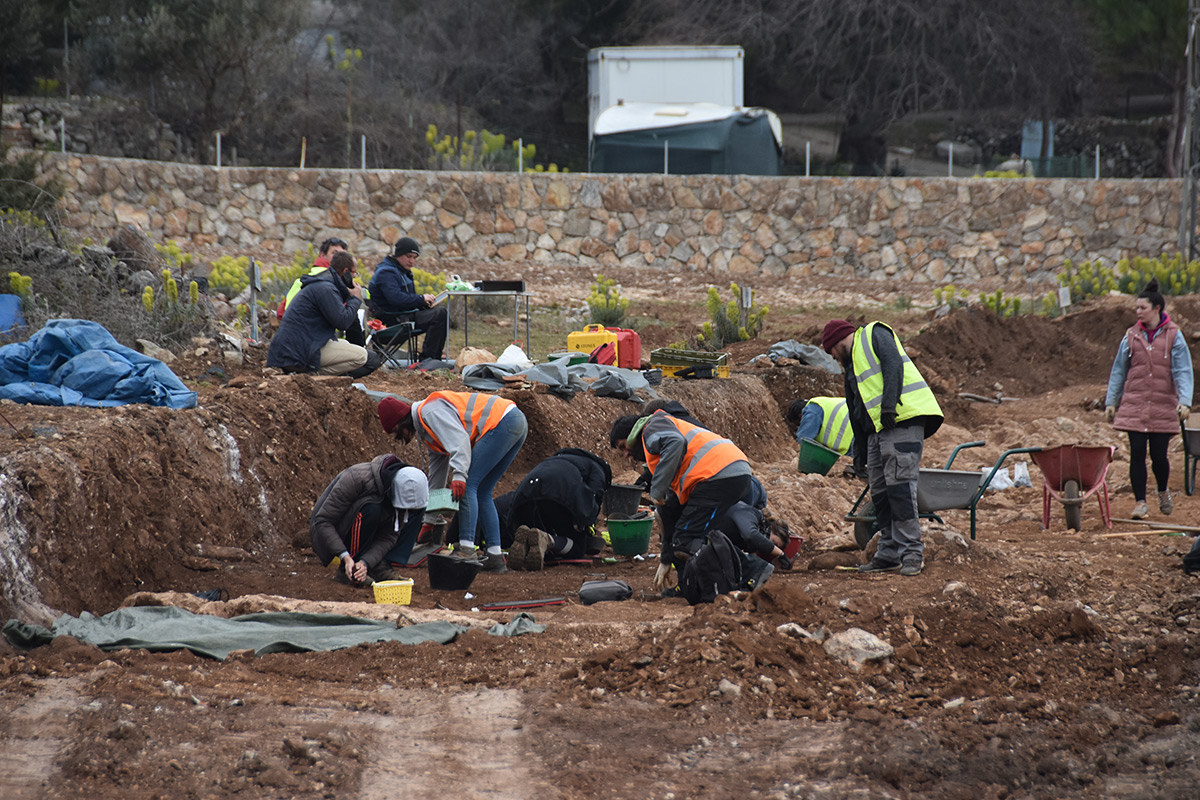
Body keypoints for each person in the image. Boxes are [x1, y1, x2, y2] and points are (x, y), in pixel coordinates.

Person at [821, 318, 943, 576]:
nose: (832, 356)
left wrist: (889, 405)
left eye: (830, 350)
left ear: (838, 340)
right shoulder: (852, 365)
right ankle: (888, 553)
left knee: (899, 489)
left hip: (902, 420)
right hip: (878, 429)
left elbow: (893, 364)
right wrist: (860, 451)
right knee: (881, 494)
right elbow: (856, 410)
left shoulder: (874, 333)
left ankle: (911, 553)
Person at [378, 392, 527, 573]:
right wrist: (429, 522)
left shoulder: (430, 412)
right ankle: (495, 556)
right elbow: (437, 475)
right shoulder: (428, 430)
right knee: (483, 491)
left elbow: (460, 441)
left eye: (396, 431)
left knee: (468, 485)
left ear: (402, 420)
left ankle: (466, 551)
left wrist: (458, 476)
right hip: (513, 420)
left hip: (502, 422)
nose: (399, 438)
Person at [609, 410, 753, 594]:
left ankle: (750, 570)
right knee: (683, 537)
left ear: (631, 434)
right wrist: (666, 560)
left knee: (685, 540)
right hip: (729, 473)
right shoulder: (665, 456)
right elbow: (668, 513)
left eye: (623, 447)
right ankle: (688, 587)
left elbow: (675, 442)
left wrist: (657, 490)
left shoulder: (650, 428)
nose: (626, 454)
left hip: (717, 475)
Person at [1105, 279, 1194, 519]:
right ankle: (1140, 503)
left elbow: (1183, 370)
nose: (1137, 312)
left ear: (1156, 308)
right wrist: (1111, 401)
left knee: (1159, 456)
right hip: (1135, 404)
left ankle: (1163, 490)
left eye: (1142, 308)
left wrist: (1184, 401)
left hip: (1163, 404)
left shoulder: (1174, 336)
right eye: (1136, 308)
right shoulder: (1131, 336)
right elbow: (1119, 370)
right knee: (1136, 452)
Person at [310, 454, 428, 586]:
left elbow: (388, 536)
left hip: (364, 533)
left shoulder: (401, 489)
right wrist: (346, 557)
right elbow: (323, 521)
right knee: (372, 509)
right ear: (391, 489)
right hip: (328, 532)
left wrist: (365, 562)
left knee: (415, 510)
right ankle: (348, 569)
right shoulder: (356, 478)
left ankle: (375, 566)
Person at [266, 251, 381, 377]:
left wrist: (349, 297)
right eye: (354, 273)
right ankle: (310, 377)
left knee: (348, 346)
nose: (355, 278)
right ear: (346, 272)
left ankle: (312, 374)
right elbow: (343, 322)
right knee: (362, 357)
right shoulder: (326, 289)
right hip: (299, 352)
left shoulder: (325, 284)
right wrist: (355, 299)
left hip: (298, 346)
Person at [505, 448, 612, 571]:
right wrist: (585, 528)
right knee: (578, 548)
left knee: (535, 532)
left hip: (525, 493)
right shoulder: (598, 469)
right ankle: (548, 540)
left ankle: (526, 548)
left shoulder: (555, 460)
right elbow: (594, 498)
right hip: (557, 492)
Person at [368, 237, 448, 362]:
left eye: (414, 258)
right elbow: (395, 299)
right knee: (439, 314)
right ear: (398, 254)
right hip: (393, 321)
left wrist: (424, 303)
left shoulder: (401, 271)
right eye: (408, 256)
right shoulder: (386, 272)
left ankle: (432, 359)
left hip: (404, 315)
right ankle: (428, 360)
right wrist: (421, 299)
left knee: (439, 313)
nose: (412, 261)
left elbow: (405, 300)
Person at [277, 237, 348, 319]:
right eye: (334, 253)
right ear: (323, 255)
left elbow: (282, 313)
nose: (339, 258)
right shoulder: (305, 282)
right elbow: (284, 313)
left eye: (343, 255)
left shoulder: (303, 281)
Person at [786, 396, 854, 454]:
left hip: (853, 435)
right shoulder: (822, 404)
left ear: (800, 416)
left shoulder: (812, 411)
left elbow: (803, 440)